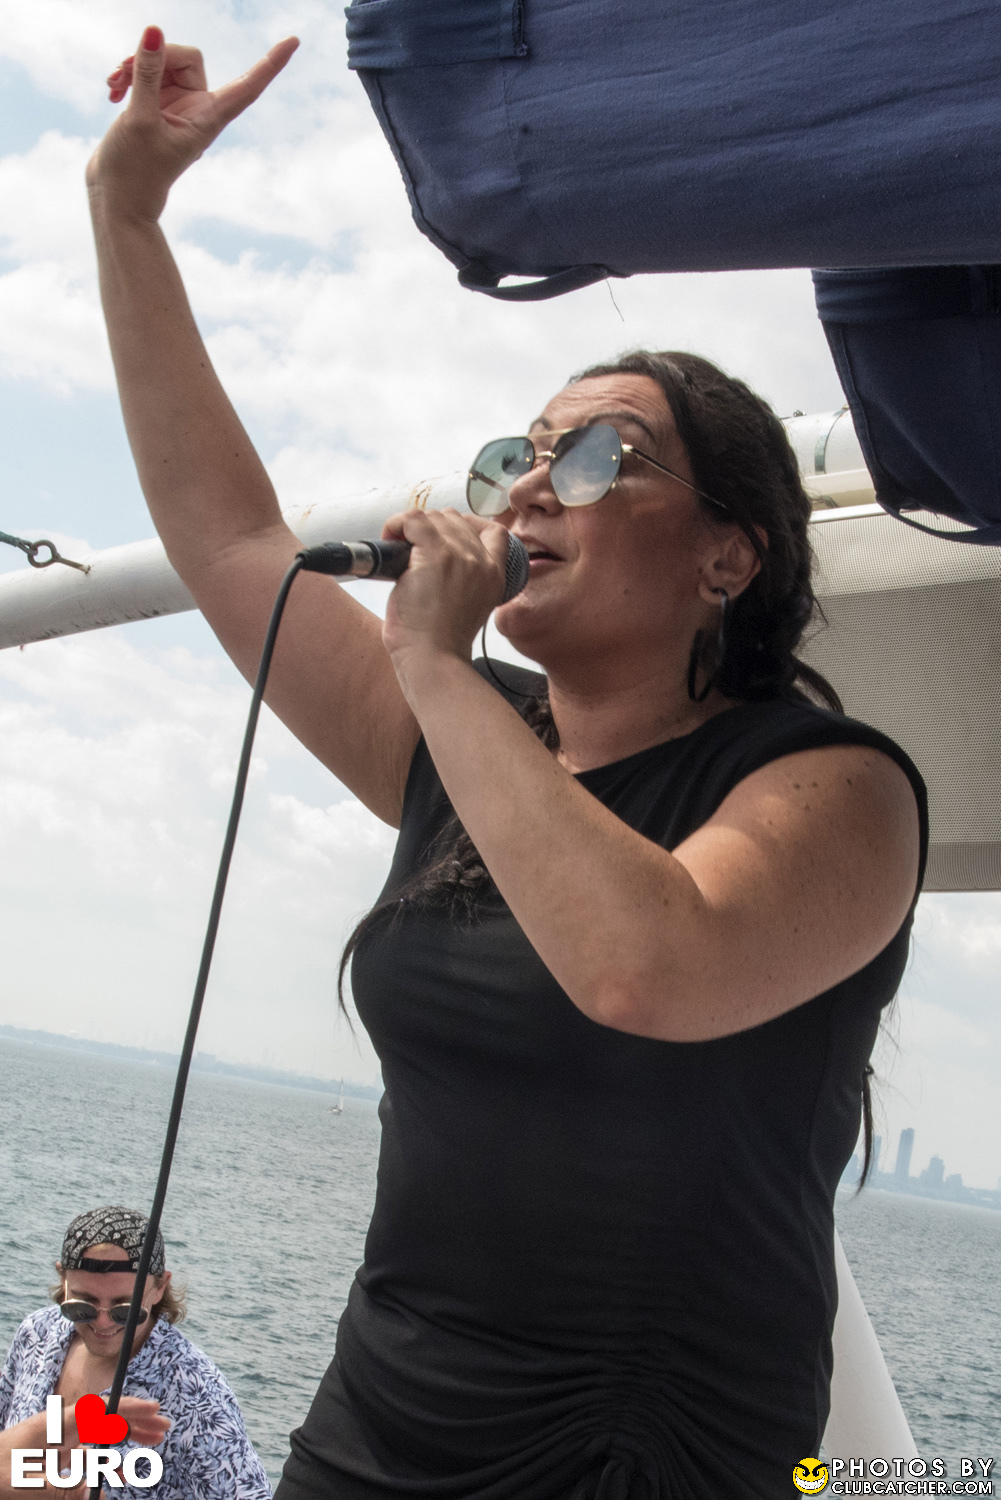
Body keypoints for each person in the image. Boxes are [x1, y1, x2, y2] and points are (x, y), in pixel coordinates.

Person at [85, 30, 926, 1500]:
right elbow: (229, 540)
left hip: (649, 1461)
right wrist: (127, 213)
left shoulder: (836, 788)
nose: (532, 486)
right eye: (518, 456)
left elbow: (646, 968)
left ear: (728, 553)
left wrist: (427, 658)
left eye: (598, 459)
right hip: (376, 1433)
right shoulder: (468, 742)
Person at [0, 1207, 272, 1499]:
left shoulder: (196, 1392)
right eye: (83, 1303)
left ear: (159, 1288)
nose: (102, 1322)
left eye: (124, 1308)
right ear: (63, 1278)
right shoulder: (36, 1333)